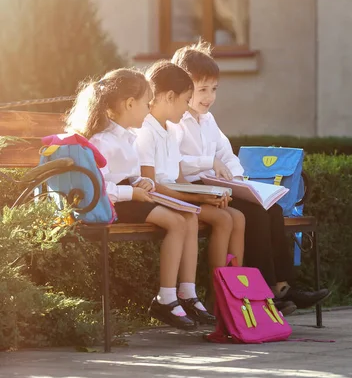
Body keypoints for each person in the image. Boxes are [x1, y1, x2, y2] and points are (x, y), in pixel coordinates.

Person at [171, 40, 330, 315]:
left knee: (272, 208)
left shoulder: (208, 121)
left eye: (214, 89)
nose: (209, 97)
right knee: (254, 216)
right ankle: (264, 290)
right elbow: (176, 165)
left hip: (219, 189)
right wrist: (210, 163)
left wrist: (237, 178)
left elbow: (227, 154)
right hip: (194, 189)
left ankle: (281, 285)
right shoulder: (175, 121)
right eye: (202, 90)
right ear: (185, 90)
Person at [66, 68, 203, 329]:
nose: (149, 108)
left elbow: (132, 176)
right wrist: (133, 191)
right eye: (146, 103)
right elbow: (100, 188)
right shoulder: (104, 141)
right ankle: (166, 298)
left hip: (130, 198)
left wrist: (144, 183)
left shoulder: (126, 137)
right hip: (114, 204)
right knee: (176, 222)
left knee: (187, 216)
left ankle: (185, 293)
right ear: (130, 104)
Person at [134, 60, 245, 318]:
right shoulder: (146, 131)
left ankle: (194, 294)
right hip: (157, 196)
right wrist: (195, 197)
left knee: (216, 216)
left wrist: (204, 195)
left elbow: (180, 177)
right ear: (170, 97)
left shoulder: (170, 130)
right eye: (186, 100)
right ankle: (190, 297)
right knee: (202, 217)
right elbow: (152, 185)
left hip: (173, 195)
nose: (187, 107)